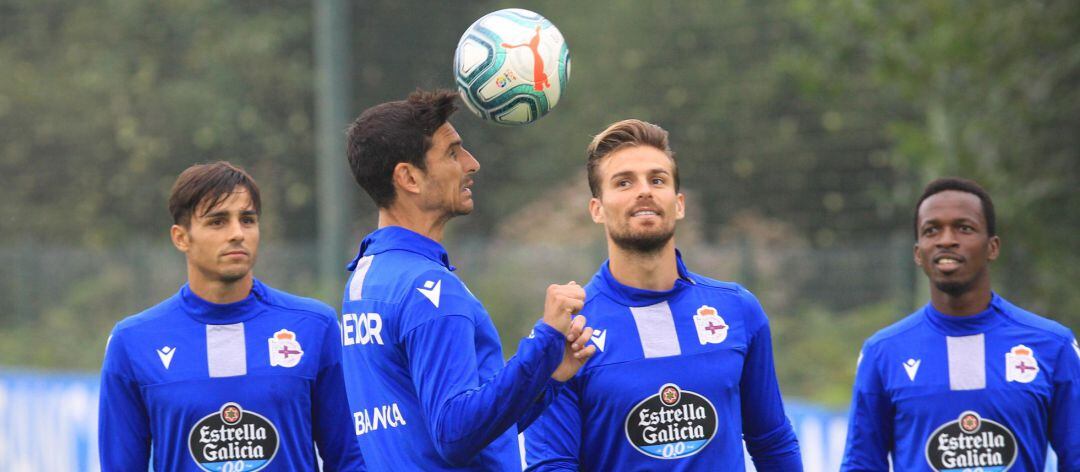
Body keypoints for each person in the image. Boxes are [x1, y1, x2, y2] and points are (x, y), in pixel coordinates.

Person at [524, 119, 803, 471]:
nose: (644, 191)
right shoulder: (568, 330)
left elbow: (773, 442)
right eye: (624, 182)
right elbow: (552, 465)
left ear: (679, 203)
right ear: (597, 209)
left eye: (657, 180)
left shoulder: (737, 310)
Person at [340, 89, 596, 470]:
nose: (471, 164)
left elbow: (471, 434)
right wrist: (543, 340)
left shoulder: (369, 278)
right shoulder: (428, 288)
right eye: (452, 153)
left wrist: (548, 377)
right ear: (408, 177)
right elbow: (455, 434)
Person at [98, 162, 365, 471]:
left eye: (247, 220)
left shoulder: (314, 326)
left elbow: (350, 458)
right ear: (181, 237)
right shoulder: (133, 342)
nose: (237, 233)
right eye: (217, 222)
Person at [841, 177, 1079, 471]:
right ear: (918, 253)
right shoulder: (883, 352)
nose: (946, 240)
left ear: (992, 247)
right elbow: (862, 463)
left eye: (964, 228)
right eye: (932, 230)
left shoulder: (1052, 345)